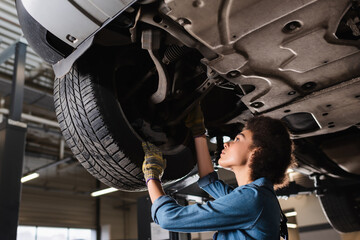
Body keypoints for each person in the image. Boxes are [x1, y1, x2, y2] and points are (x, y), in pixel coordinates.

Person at [142, 105, 294, 239]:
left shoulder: (253, 200)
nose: (227, 143)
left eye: (238, 139)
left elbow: (169, 218)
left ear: (256, 153)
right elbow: (209, 181)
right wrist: (199, 132)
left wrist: (152, 176)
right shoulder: (258, 197)